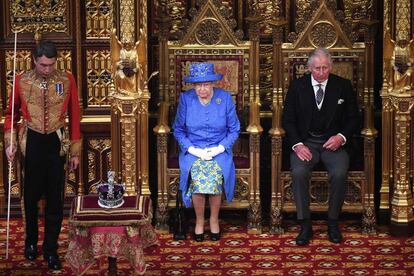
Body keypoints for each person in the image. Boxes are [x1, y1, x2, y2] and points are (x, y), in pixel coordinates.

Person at [4, 40, 81, 270]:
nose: (47, 69)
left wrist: (75, 151)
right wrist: (10, 142)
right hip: (32, 142)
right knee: (30, 197)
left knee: (55, 201)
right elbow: (11, 114)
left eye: (51, 64)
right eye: (43, 65)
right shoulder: (21, 80)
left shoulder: (67, 80)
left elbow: (75, 114)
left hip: (56, 143)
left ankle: (50, 249)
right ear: (35, 61)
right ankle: (30, 243)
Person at [282, 48, 359, 245]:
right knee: (298, 172)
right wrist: (298, 145)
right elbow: (288, 120)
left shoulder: (343, 86)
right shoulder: (297, 87)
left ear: (331, 67)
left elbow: (353, 118)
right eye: (317, 68)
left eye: (325, 68)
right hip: (306, 142)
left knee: (340, 172)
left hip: (333, 143)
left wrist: (341, 137)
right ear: (309, 68)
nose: (322, 72)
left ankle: (333, 222)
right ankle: (305, 224)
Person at [173, 62, 240, 242]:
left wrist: (220, 148)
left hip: (219, 150)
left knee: (216, 173)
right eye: (198, 85)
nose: (202, 89)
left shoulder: (225, 98)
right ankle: (200, 221)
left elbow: (234, 129)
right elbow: (178, 130)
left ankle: (214, 219)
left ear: (213, 83)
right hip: (193, 151)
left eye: (206, 84)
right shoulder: (186, 99)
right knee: (197, 175)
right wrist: (192, 149)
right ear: (193, 85)